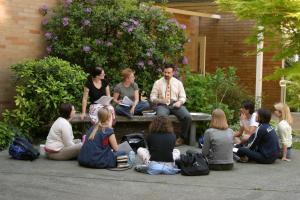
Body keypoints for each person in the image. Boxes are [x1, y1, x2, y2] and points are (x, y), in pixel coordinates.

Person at [150, 64, 191, 146]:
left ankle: (182, 138)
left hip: (175, 104)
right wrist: (161, 100)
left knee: (187, 116)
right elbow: (152, 97)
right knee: (161, 117)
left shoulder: (178, 83)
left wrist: (179, 102)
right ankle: (165, 139)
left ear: (173, 73)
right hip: (162, 105)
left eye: (168, 73)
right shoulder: (158, 83)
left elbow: (183, 97)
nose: (166, 74)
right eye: (165, 72)